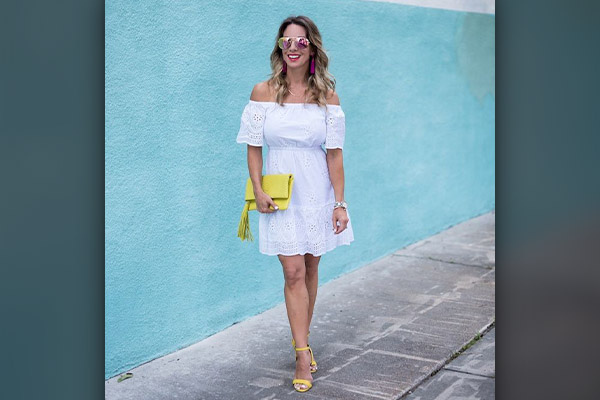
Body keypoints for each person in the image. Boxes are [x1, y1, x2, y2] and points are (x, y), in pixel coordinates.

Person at [236, 15, 354, 393]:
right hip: (281, 193)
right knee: (292, 272)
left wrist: (340, 204)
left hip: (317, 191)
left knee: (310, 265)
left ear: (312, 48)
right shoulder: (263, 92)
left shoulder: (327, 98)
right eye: (286, 41)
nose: (293, 47)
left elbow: (334, 156)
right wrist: (258, 189)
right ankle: (302, 352)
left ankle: (301, 335)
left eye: (301, 42)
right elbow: (254, 150)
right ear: (279, 48)